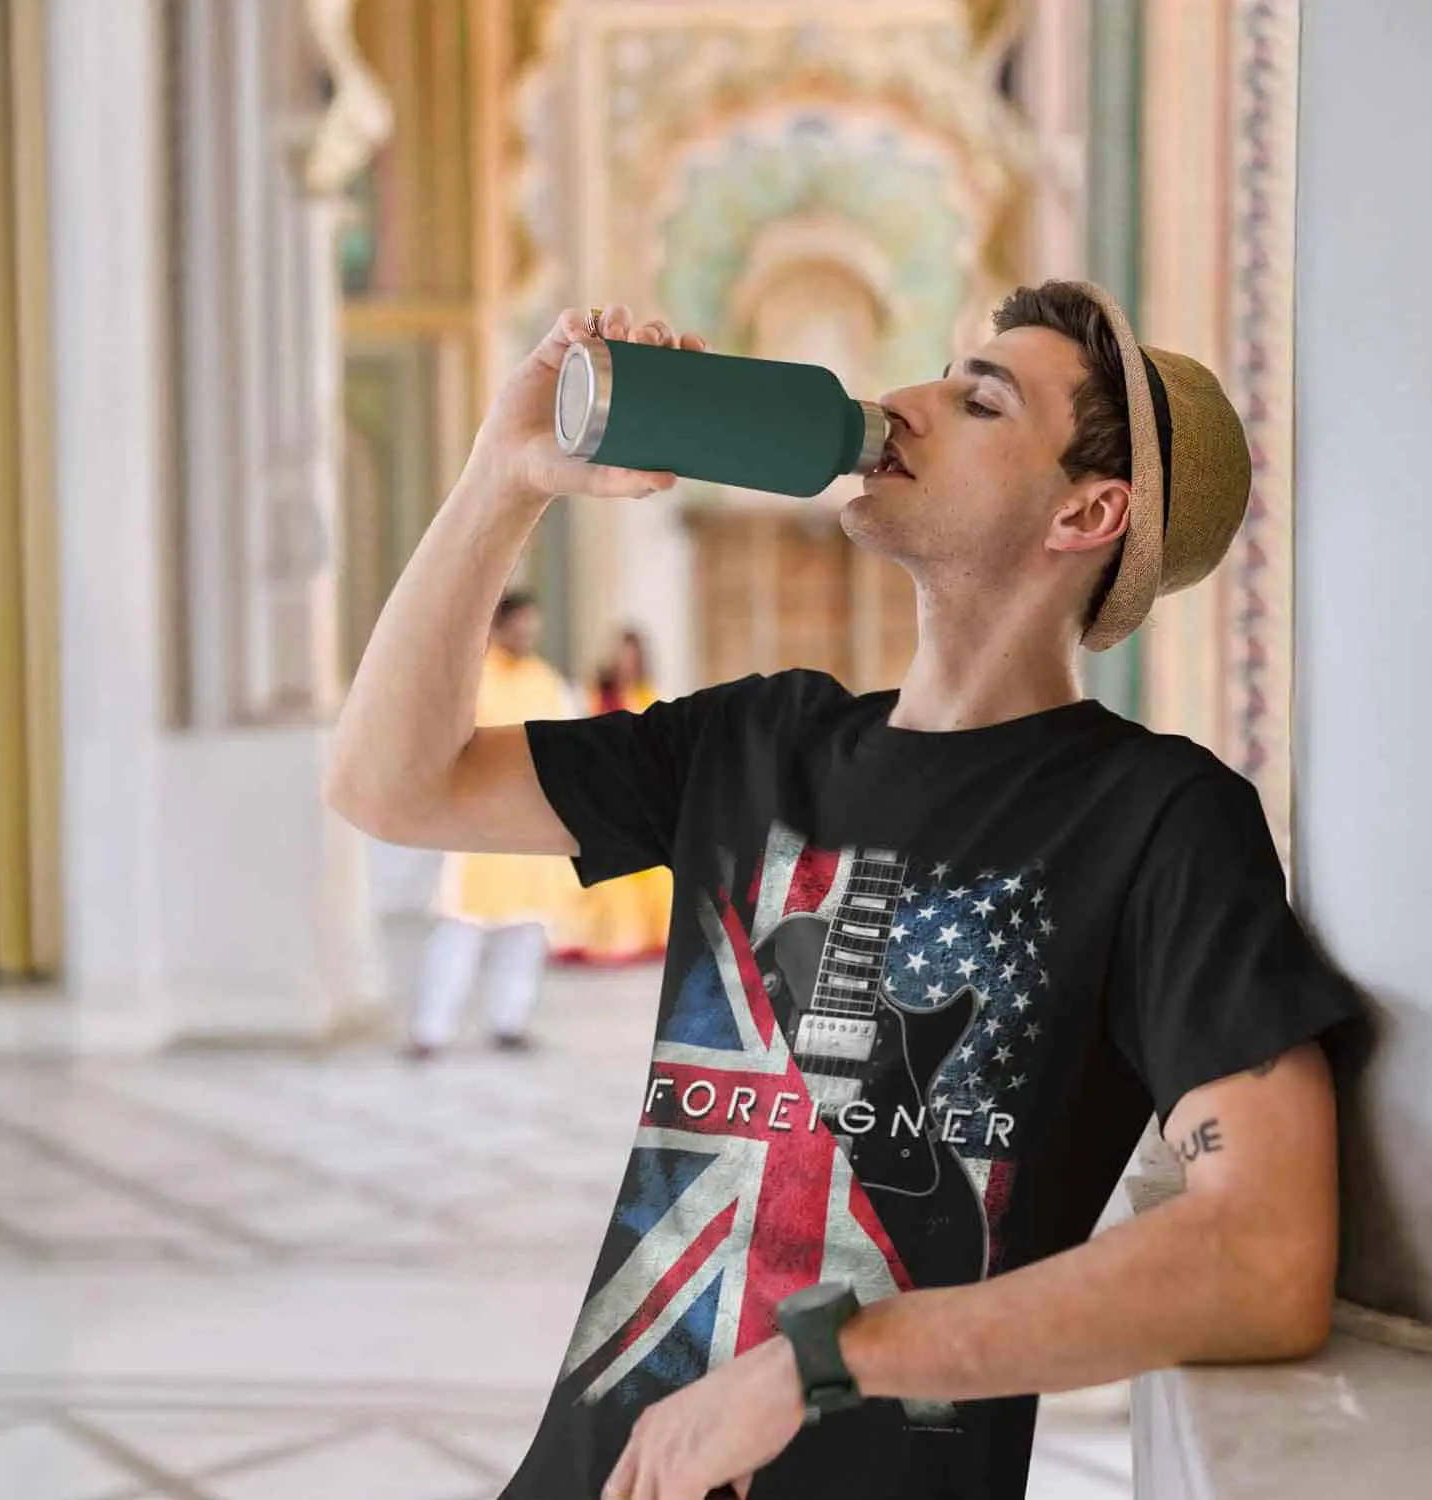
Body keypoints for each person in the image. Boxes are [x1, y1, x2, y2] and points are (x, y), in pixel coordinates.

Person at [327, 285, 1369, 1500]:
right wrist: (500, 481)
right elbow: (390, 784)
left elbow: (1263, 1256)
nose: (905, 404)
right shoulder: (759, 739)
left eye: (979, 399)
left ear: (1086, 511)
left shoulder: (1155, 821)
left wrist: (824, 1363)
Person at [407, 589, 579, 1059]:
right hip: (477, 825)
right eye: (518, 624)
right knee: (461, 927)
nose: (526, 633)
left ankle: (509, 1022)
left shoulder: (548, 682)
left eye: (532, 624)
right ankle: (431, 1031)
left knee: (525, 929)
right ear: (499, 627)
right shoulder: (471, 681)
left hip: (532, 825)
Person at [553, 629, 673, 966]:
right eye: (620, 655)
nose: (625, 663)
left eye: (631, 656)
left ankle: (648, 936)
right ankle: (612, 939)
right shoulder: (596, 696)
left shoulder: (649, 695)